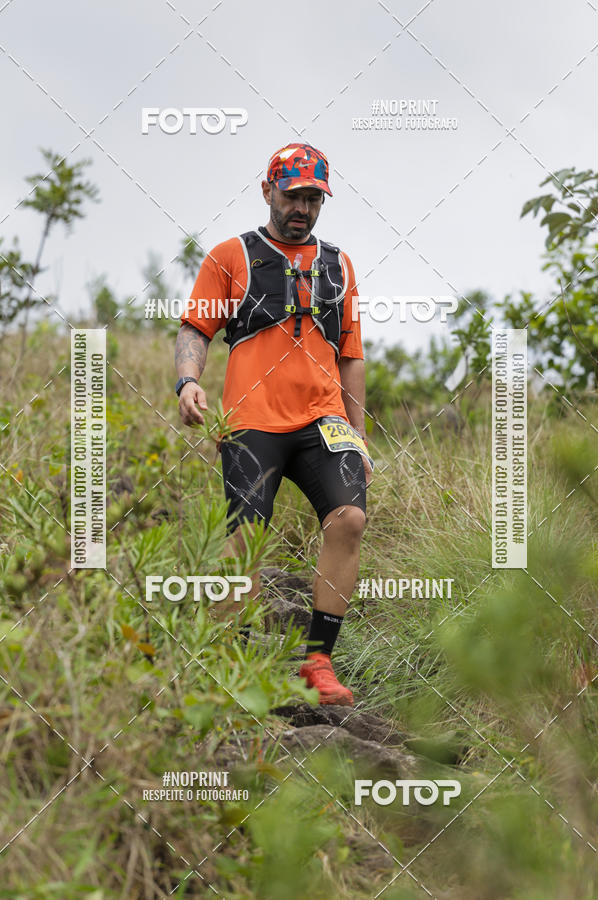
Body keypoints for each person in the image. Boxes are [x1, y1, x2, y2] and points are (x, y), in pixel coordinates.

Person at [175, 142, 371, 706]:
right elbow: (194, 330)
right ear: (268, 191)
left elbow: (351, 356)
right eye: (292, 196)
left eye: (314, 199)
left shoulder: (338, 265)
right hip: (251, 422)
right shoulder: (230, 256)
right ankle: (231, 667)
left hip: (324, 421)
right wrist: (187, 381)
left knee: (350, 519)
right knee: (245, 541)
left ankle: (318, 663)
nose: (302, 208)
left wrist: (358, 437)